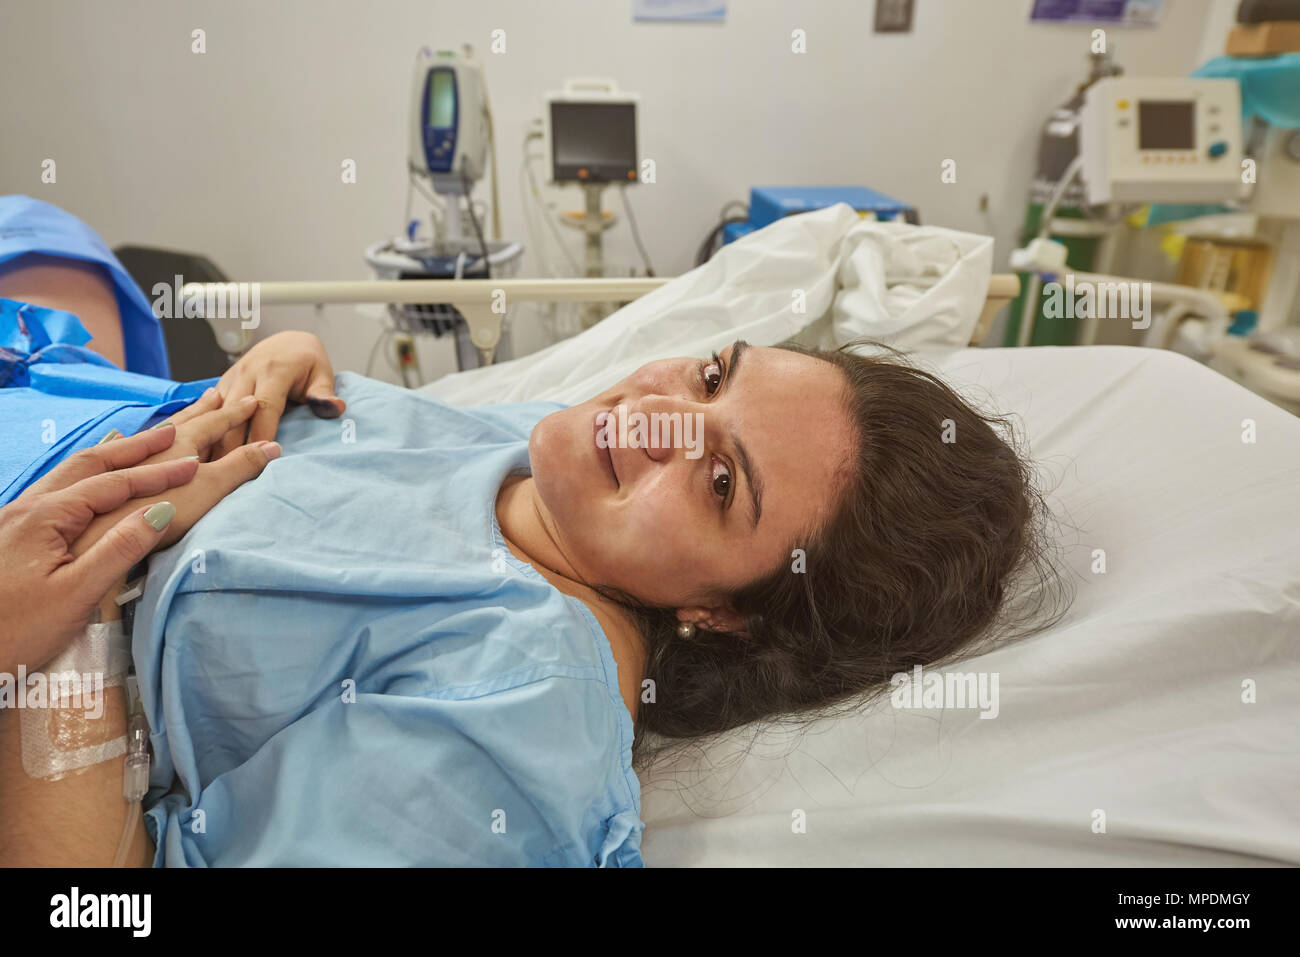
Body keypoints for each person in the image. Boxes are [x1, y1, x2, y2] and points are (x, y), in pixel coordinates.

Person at [1, 327, 1067, 867]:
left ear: (728, 613)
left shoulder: (516, 718)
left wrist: (69, 634)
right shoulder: (557, 462)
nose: (654, 419)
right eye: (711, 376)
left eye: (719, 481)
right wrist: (283, 364)